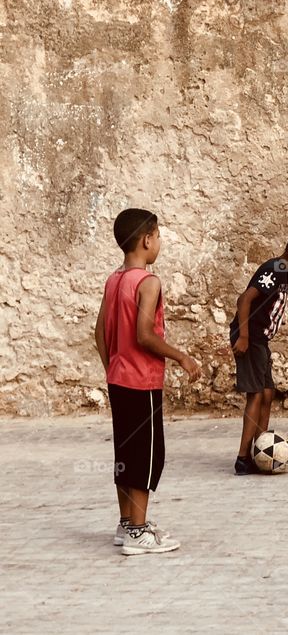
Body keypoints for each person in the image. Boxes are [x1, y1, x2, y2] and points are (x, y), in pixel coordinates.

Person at [94, 208, 201, 555]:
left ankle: (126, 523)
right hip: (141, 383)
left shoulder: (114, 279)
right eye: (158, 236)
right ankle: (139, 532)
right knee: (146, 457)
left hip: (118, 378)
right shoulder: (148, 282)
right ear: (146, 239)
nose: (159, 243)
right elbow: (144, 335)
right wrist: (181, 356)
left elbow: (100, 332)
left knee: (125, 453)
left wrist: (113, 365)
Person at [230, 231, 288, 474]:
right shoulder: (276, 269)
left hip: (260, 340)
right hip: (250, 339)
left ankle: (260, 449)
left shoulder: (282, 269)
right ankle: (243, 458)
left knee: (268, 392)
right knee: (256, 395)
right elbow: (244, 300)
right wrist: (244, 336)